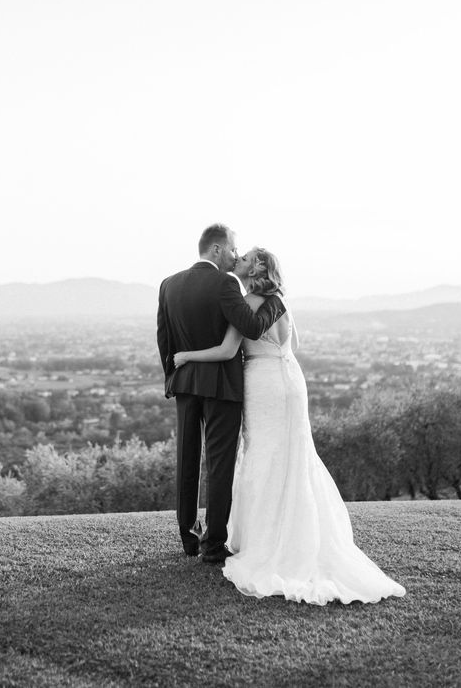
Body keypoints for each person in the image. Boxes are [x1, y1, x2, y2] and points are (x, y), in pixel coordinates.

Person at [174, 247, 406, 604]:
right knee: (294, 456)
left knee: (265, 455)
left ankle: (266, 542)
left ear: (259, 267)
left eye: (247, 256)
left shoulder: (248, 302)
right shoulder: (281, 301)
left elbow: (225, 351)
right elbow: (293, 344)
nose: (241, 257)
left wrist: (186, 355)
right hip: (291, 380)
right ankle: (301, 536)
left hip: (263, 383)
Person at [157, 224, 287, 564]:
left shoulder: (168, 285)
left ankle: (188, 536)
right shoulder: (225, 283)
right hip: (221, 386)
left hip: (185, 383)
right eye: (232, 249)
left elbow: (164, 339)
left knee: (186, 458)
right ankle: (213, 544)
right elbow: (249, 325)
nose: (235, 255)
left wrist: (172, 378)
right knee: (220, 463)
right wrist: (275, 300)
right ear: (217, 250)